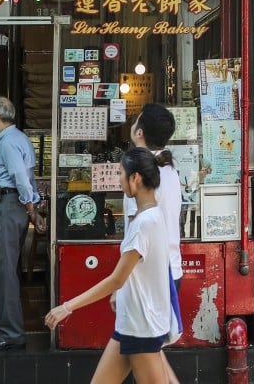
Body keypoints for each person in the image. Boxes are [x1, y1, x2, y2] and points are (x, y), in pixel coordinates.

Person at [45, 148, 172, 384]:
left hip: (140, 326)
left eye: (121, 174)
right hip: (132, 322)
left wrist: (67, 307)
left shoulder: (143, 224)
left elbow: (117, 278)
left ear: (135, 178)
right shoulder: (153, 216)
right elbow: (134, 274)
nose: (119, 180)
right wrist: (119, 292)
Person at [124, 104, 181, 384]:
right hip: (170, 271)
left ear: (140, 133)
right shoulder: (170, 170)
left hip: (149, 277)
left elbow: (135, 231)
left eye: (135, 123)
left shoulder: (141, 173)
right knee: (151, 354)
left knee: (150, 356)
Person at [0, 96, 39, 352]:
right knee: (5, 269)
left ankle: (11, 332)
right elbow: (27, 177)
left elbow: (18, 177)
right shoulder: (20, 138)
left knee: (2, 271)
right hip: (12, 206)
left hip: (5, 205)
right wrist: (31, 205)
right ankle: (6, 325)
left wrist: (30, 205)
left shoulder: (7, 142)